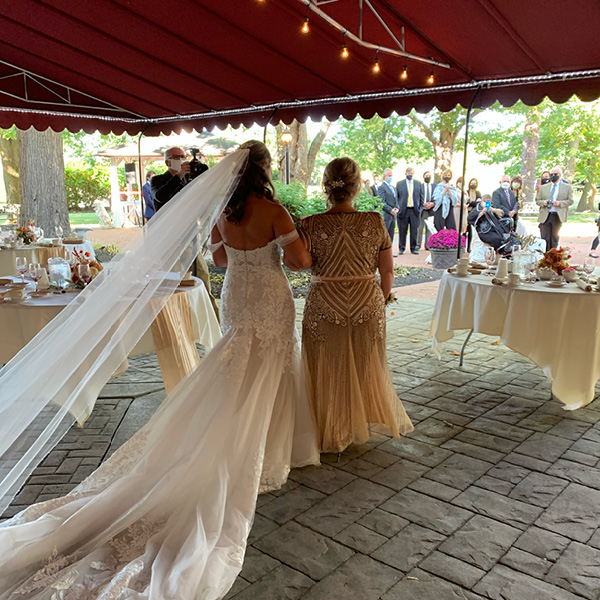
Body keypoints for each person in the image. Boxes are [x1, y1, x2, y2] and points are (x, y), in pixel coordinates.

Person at [0, 141, 320, 598]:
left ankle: (230, 435)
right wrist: (298, 240)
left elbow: (222, 260)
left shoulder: (223, 213)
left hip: (237, 295)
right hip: (270, 297)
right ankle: (265, 451)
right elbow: (300, 263)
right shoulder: (275, 211)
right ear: (264, 171)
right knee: (271, 367)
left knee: (234, 370)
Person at [301, 157, 413, 455]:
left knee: (327, 363)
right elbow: (387, 272)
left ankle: (330, 427)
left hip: (324, 301)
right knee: (365, 363)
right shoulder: (374, 221)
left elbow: (301, 264)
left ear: (326, 186)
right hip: (367, 301)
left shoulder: (310, 225)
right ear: (358, 186)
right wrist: (381, 297)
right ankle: (356, 422)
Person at [152, 147, 220, 320]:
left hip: (190, 237)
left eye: (184, 156)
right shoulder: (158, 181)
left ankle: (212, 318)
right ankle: (177, 319)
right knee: (174, 282)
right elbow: (162, 197)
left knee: (202, 277)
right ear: (168, 161)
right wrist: (178, 176)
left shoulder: (191, 180)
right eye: (177, 157)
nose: (182, 159)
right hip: (168, 241)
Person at [536, 165, 573, 250]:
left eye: (555, 174)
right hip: (545, 215)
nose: (553, 176)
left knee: (554, 238)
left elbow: (570, 201)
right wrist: (544, 203)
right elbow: (538, 200)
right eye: (551, 174)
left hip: (557, 215)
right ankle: (545, 257)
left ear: (560, 175)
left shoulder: (567, 187)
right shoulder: (544, 187)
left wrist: (559, 203)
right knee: (544, 238)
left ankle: (553, 257)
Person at [396, 166, 424, 254]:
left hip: (414, 210)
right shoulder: (400, 184)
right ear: (405, 174)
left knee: (414, 230)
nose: (410, 175)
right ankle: (401, 248)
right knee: (402, 230)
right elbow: (396, 197)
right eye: (408, 173)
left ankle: (413, 248)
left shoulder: (418, 183)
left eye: (411, 173)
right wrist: (398, 208)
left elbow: (421, 197)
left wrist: (420, 208)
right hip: (403, 210)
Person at [377, 167, 400, 254]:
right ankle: (383, 253)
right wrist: (390, 210)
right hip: (386, 215)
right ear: (384, 176)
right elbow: (382, 202)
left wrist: (397, 208)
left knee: (391, 235)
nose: (390, 177)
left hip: (393, 215)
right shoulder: (381, 187)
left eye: (391, 176)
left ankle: (389, 252)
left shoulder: (393, 188)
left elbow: (396, 200)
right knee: (385, 235)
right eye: (389, 175)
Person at [419, 170, 436, 250]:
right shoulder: (420, 186)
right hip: (422, 209)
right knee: (420, 228)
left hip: (431, 210)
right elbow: (417, 197)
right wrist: (423, 204)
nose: (428, 177)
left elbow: (437, 197)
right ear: (423, 177)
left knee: (429, 228)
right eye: (426, 176)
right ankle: (418, 245)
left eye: (429, 176)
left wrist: (432, 203)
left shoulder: (434, 186)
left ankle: (428, 245)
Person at [465, 177, 481, 252]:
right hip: (466, 212)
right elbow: (467, 202)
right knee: (464, 230)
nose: (473, 184)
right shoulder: (466, 192)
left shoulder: (478, 193)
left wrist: (472, 202)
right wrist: (472, 202)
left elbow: (478, 203)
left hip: (473, 213)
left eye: (474, 183)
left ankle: (469, 247)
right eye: (472, 183)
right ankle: (463, 246)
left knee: (471, 231)